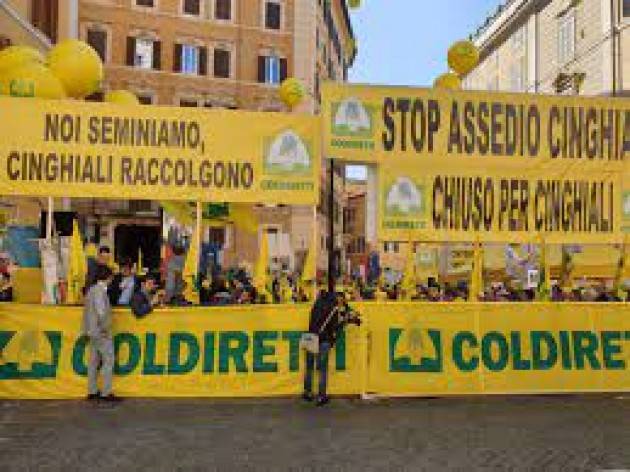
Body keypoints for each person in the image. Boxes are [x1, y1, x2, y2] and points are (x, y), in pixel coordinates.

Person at [303, 291, 361, 407]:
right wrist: (347, 321)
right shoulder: (333, 310)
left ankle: (307, 392)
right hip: (324, 340)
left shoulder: (316, 305)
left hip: (310, 337)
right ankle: (321, 396)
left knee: (309, 366)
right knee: (322, 369)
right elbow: (334, 327)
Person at [82, 265, 121, 403]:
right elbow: (101, 312)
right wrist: (105, 327)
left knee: (93, 362)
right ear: (108, 277)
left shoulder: (91, 290)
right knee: (108, 361)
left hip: (92, 332)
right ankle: (106, 392)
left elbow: (87, 313)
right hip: (101, 332)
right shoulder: (99, 291)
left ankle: (92, 391)